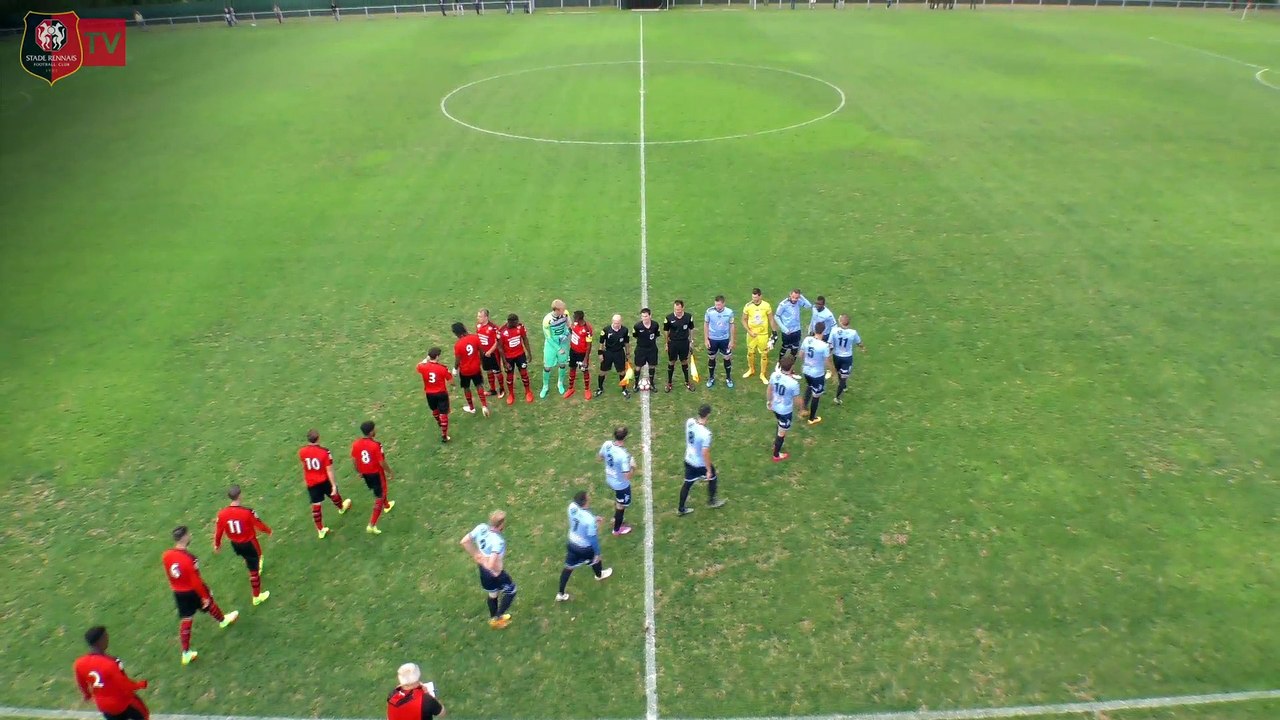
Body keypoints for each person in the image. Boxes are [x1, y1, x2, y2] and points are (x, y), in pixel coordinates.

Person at [161, 526, 238, 666]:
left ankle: (185, 653)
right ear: (184, 537)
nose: (190, 536)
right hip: (191, 590)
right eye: (188, 534)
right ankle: (223, 620)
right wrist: (205, 595)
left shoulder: (166, 555)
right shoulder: (190, 558)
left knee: (186, 618)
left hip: (178, 592)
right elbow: (195, 580)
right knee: (209, 603)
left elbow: (168, 573)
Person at [213, 485, 272, 606]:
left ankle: (251, 565)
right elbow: (258, 524)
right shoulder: (247, 512)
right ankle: (256, 596)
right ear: (240, 495)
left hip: (235, 544)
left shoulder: (222, 514)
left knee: (248, 559)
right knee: (254, 569)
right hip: (249, 543)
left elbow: (219, 531)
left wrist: (217, 545)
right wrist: (268, 531)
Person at [73, 626, 149, 720]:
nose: (108, 639)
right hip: (122, 703)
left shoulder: (79, 663)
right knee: (144, 715)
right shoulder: (112, 663)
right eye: (105, 637)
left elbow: (81, 683)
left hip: (104, 705)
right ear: (99, 641)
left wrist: (87, 695)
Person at [459, 511, 516, 629]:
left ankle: (493, 619)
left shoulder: (481, 528)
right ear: (501, 525)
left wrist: (477, 556)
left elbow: (464, 541)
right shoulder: (498, 541)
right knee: (511, 591)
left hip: (483, 571)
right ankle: (498, 617)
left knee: (493, 593)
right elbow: (491, 564)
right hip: (496, 573)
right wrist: (487, 561)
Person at [556, 491, 613, 602]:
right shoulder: (589, 521)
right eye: (588, 498)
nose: (590, 498)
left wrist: (594, 518)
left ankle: (560, 593)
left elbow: (581, 517)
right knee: (596, 559)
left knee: (568, 568)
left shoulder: (572, 507)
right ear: (585, 502)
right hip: (584, 547)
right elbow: (592, 538)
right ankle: (599, 575)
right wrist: (597, 553)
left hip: (572, 543)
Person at [299, 429, 352, 539]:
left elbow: (304, 465)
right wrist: (333, 484)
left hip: (311, 482)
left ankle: (320, 530)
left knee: (316, 505)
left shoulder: (302, 451)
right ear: (318, 438)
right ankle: (341, 508)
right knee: (334, 494)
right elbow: (329, 470)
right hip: (323, 480)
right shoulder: (324, 452)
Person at [678, 404, 725, 515]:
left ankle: (681, 508)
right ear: (708, 415)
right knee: (713, 477)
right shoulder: (706, 434)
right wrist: (708, 470)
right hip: (699, 463)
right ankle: (712, 501)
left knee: (687, 484)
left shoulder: (689, 422)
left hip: (688, 459)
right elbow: (705, 453)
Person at [352, 421, 395, 535]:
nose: (376, 430)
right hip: (376, 474)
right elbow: (381, 462)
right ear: (371, 432)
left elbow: (354, 460)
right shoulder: (376, 445)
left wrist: (359, 471)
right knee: (380, 495)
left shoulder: (356, 444)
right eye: (374, 429)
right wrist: (390, 472)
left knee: (379, 491)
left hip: (366, 474)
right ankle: (372, 524)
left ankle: (387, 506)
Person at [598, 426, 634, 535]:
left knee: (619, 500)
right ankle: (617, 529)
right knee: (621, 505)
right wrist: (633, 467)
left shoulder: (607, 444)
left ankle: (615, 519)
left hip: (610, 478)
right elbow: (627, 476)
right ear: (625, 438)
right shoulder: (623, 455)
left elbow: (600, 457)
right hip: (620, 484)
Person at [766, 356, 802, 462]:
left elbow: (769, 389)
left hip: (775, 406)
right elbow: (797, 400)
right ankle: (776, 454)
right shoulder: (793, 383)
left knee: (779, 424)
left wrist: (769, 401)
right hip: (785, 411)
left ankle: (775, 444)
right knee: (782, 433)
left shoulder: (774, 375)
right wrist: (801, 409)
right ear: (792, 367)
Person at [451, 322, 490, 417]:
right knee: (479, 385)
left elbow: (458, 359)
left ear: (456, 333)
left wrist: (455, 369)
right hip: (476, 368)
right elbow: (481, 351)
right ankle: (484, 405)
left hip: (465, 370)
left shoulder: (458, 345)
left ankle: (471, 408)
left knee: (466, 388)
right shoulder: (475, 338)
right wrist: (480, 361)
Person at [416, 347, 454, 443]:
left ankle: (439, 422)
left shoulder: (423, 367)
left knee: (435, 410)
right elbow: (450, 380)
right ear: (437, 356)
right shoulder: (442, 368)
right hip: (441, 393)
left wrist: (426, 359)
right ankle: (444, 435)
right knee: (443, 413)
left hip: (429, 394)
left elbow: (418, 366)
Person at [828, 314, 866, 405]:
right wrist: (863, 348)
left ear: (841, 322)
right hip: (847, 358)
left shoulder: (834, 330)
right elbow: (859, 342)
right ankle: (837, 397)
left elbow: (830, 344)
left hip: (836, 356)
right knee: (843, 377)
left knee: (839, 373)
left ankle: (843, 387)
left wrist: (828, 353)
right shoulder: (853, 332)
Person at [799, 323, 833, 425]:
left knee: (809, 386)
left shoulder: (807, 340)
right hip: (817, 374)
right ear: (824, 331)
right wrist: (833, 372)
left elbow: (800, 355)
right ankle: (812, 418)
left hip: (806, 370)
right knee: (816, 395)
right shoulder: (824, 346)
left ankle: (803, 408)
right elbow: (827, 362)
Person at [498, 313, 535, 405]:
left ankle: (528, 392)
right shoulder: (502, 331)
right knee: (509, 376)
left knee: (524, 373)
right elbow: (500, 348)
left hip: (520, 355)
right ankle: (511, 394)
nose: (518, 323)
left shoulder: (520, 327)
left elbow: (525, 339)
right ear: (510, 322)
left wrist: (529, 353)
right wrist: (504, 361)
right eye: (516, 322)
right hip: (509, 357)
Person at [741, 288, 773, 383]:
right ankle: (751, 369)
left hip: (763, 334)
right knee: (750, 353)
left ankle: (762, 374)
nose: (754, 299)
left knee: (764, 354)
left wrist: (774, 331)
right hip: (752, 335)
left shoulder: (766, 306)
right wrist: (749, 331)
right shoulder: (748, 306)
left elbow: (771, 319)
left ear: (760, 296)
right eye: (753, 297)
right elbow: (743, 319)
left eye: (756, 298)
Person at [703, 295, 736, 389]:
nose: (717, 307)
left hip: (724, 339)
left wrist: (732, 340)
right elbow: (706, 324)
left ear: (723, 304)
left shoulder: (729, 312)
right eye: (716, 304)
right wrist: (706, 339)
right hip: (712, 339)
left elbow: (732, 326)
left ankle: (728, 378)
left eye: (719, 305)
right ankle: (711, 378)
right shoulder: (709, 311)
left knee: (727, 357)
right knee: (712, 358)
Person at [541, 299, 571, 399]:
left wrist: (566, 334)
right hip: (551, 344)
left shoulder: (565, 314)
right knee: (547, 367)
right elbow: (548, 337)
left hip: (563, 342)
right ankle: (545, 386)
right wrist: (558, 348)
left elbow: (569, 326)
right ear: (557, 310)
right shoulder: (547, 320)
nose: (564, 310)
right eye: (562, 309)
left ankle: (560, 383)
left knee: (562, 364)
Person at [663, 300, 695, 392]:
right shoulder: (669, 318)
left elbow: (691, 329)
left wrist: (691, 341)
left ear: (683, 308)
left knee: (684, 361)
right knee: (671, 361)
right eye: (676, 309)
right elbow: (666, 331)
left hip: (684, 342)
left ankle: (687, 381)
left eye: (679, 309)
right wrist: (666, 343)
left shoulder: (688, 317)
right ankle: (669, 383)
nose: (677, 311)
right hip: (673, 343)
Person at [596, 314, 631, 399]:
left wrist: (627, 354)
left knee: (622, 372)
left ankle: (624, 389)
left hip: (619, 353)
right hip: (608, 352)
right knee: (602, 371)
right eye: (615, 323)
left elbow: (626, 343)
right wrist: (600, 353)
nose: (616, 324)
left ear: (621, 322)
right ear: (612, 322)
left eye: (618, 323)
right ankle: (600, 388)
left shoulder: (625, 330)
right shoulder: (606, 330)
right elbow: (601, 343)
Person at [773, 289, 811, 363]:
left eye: (796, 298)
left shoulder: (798, 302)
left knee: (795, 349)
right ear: (790, 294)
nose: (794, 299)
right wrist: (784, 329)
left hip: (797, 330)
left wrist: (801, 297)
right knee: (785, 347)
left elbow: (808, 305)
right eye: (793, 297)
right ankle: (780, 363)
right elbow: (776, 316)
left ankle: (791, 366)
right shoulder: (783, 304)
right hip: (787, 331)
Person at [564, 310, 593, 400]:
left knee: (584, 370)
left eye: (574, 317)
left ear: (578, 318)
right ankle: (571, 388)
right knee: (572, 368)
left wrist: (585, 359)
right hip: (573, 351)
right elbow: (572, 331)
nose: (573, 318)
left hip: (582, 353)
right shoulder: (575, 324)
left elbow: (589, 345)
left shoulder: (587, 329)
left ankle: (587, 389)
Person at [476, 309, 505, 398]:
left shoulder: (493, 328)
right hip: (483, 353)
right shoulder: (478, 326)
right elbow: (479, 338)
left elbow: (497, 342)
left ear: (486, 317)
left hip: (493, 354)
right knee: (488, 371)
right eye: (478, 316)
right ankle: (492, 390)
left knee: (497, 372)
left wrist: (490, 351)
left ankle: (502, 389)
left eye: (480, 316)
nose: (478, 318)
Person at [632, 308, 661, 392]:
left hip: (652, 349)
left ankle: (651, 384)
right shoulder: (637, 326)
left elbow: (656, 334)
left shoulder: (655, 325)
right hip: (641, 349)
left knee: (652, 366)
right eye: (643, 316)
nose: (644, 318)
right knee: (638, 367)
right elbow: (635, 335)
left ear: (650, 316)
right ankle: (636, 384)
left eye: (646, 316)